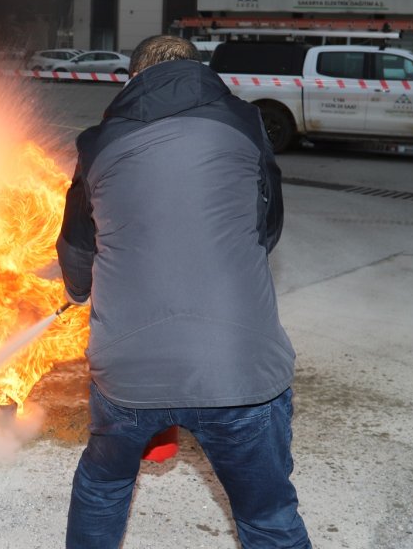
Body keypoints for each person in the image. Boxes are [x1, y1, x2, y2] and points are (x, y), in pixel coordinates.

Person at [57, 35, 310, 549]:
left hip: (129, 371)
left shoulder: (97, 142)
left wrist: (79, 292)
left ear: (132, 79)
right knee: (266, 514)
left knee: (103, 485)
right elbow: (268, 229)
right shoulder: (246, 123)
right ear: (200, 71)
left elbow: (77, 246)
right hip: (238, 370)